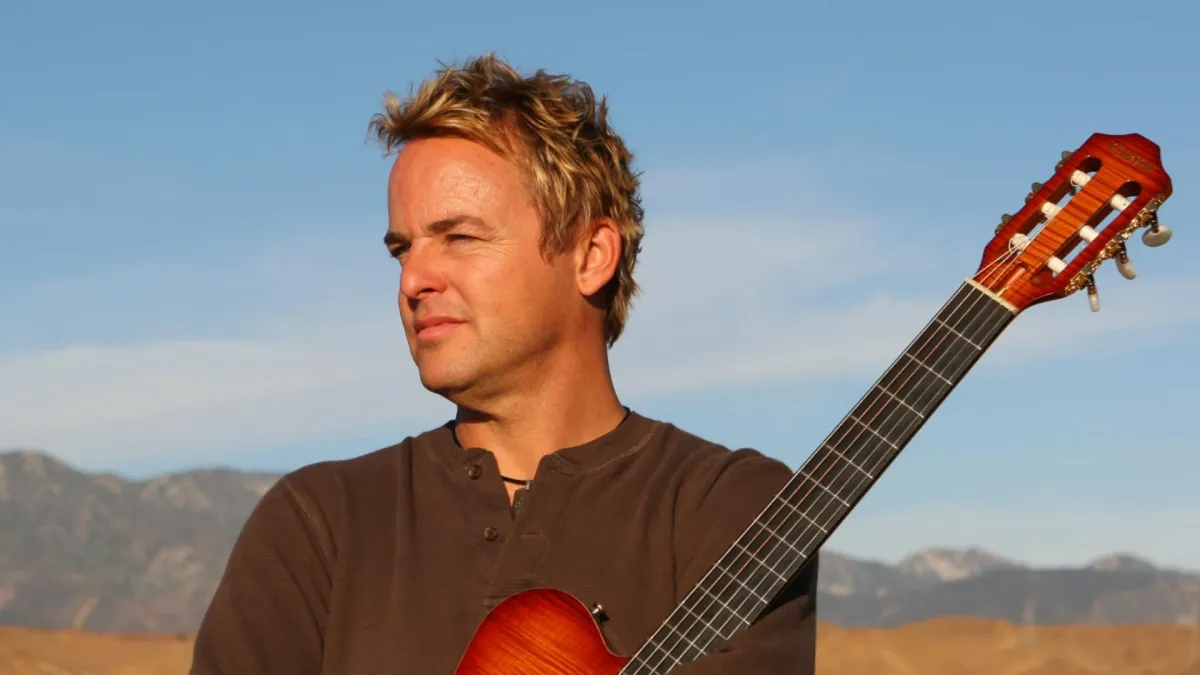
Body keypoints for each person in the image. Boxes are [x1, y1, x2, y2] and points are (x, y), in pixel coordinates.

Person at [188, 53, 818, 674]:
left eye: (459, 237)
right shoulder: (319, 522)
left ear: (591, 255)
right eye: (402, 250)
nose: (412, 280)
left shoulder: (728, 508)